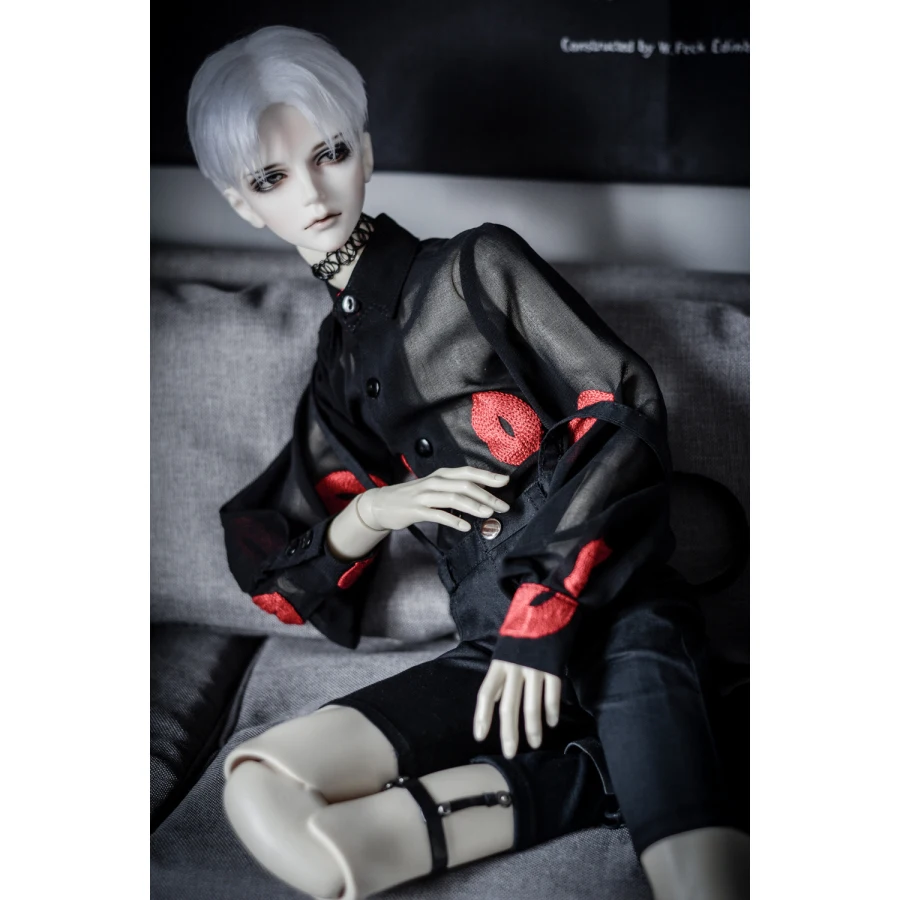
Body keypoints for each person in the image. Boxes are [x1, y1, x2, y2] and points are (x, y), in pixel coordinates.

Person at [186, 24, 749, 900]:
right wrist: (372, 512)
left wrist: (541, 617)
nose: (314, 190)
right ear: (243, 204)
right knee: (260, 784)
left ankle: (618, 767)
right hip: (489, 654)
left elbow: (623, 408)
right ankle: (594, 776)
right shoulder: (336, 373)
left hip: (618, 616)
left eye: (331, 153)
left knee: (695, 879)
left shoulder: (477, 268)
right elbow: (279, 565)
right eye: (272, 178)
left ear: (367, 151)